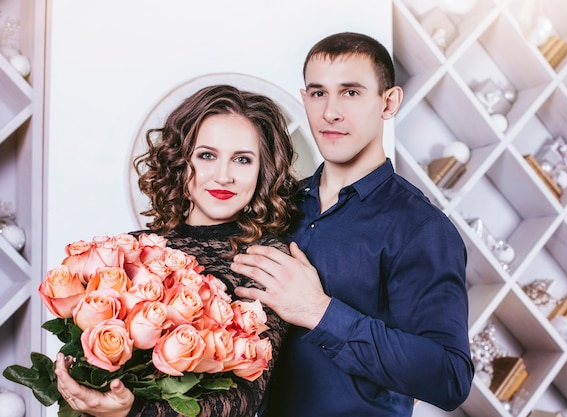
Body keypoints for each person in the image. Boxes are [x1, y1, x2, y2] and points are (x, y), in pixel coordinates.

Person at [231, 32, 475, 416]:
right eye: (318, 93)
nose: (330, 112)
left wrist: (318, 311)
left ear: (388, 102)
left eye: (351, 93)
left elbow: (449, 377)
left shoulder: (421, 228)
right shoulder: (276, 203)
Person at [54, 84, 301, 417]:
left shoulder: (267, 258)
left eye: (242, 159)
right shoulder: (128, 252)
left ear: (262, 171)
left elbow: (245, 398)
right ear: (180, 161)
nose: (223, 175)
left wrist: (135, 412)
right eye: (207, 155)